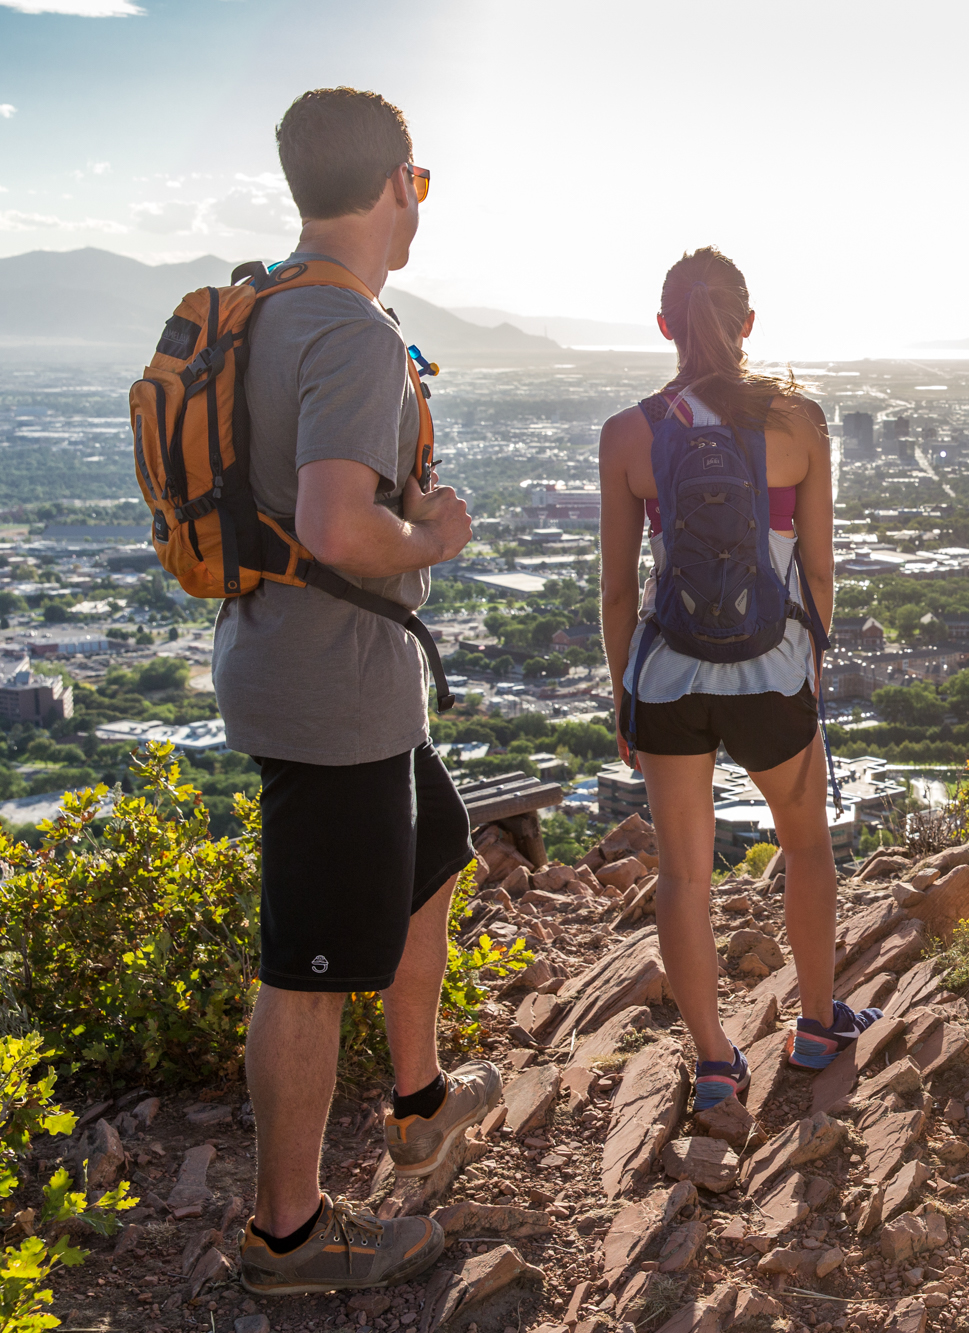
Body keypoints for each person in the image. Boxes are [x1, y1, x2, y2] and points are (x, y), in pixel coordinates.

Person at [224, 88, 497, 1296]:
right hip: (327, 689)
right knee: (309, 963)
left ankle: (421, 1097)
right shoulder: (351, 332)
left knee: (432, 847)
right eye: (417, 181)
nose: (417, 200)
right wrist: (434, 536)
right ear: (395, 184)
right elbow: (338, 525)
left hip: (323, 668)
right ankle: (289, 1235)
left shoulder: (264, 306)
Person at [599, 247, 879, 1114]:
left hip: (668, 677)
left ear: (664, 326)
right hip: (772, 670)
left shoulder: (628, 435)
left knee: (685, 877)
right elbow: (819, 573)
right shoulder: (801, 423)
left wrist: (623, 694)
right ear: (749, 321)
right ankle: (817, 1022)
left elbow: (617, 591)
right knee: (807, 846)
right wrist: (809, 667)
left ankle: (716, 1061)